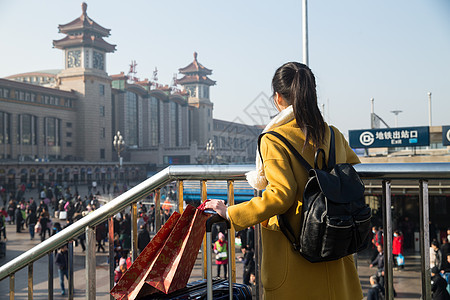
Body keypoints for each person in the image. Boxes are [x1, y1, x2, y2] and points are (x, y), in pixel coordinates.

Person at [205, 62, 363, 299]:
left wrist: (231, 214)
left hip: (296, 254)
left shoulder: (274, 138)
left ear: (278, 98)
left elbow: (281, 195)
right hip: (335, 248)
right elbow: (352, 169)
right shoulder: (333, 134)